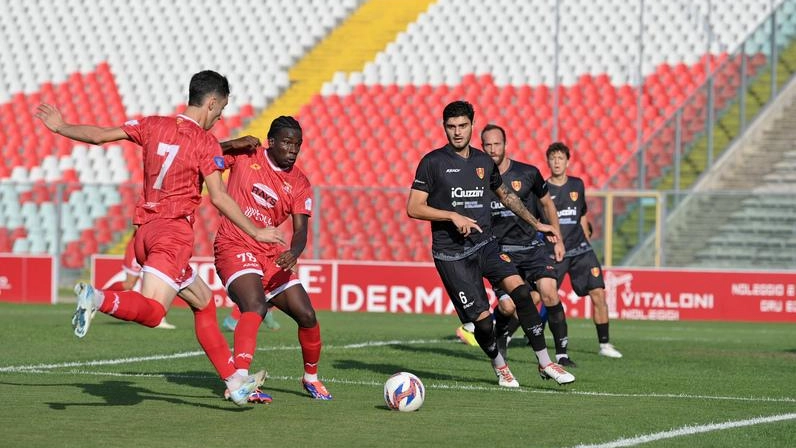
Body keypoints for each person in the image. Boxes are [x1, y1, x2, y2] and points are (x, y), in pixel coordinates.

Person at [35, 70, 284, 405]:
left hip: (144, 231)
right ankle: (97, 298)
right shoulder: (204, 141)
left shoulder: (152, 124)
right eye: (221, 109)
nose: (221, 116)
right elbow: (220, 197)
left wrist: (62, 127)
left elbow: (98, 136)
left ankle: (236, 382)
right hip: (172, 235)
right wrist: (257, 231)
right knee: (154, 313)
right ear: (211, 103)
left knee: (203, 303)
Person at [407, 100, 574, 386]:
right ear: (444, 128)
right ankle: (500, 366)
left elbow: (507, 196)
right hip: (452, 255)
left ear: (472, 126)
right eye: (451, 127)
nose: (457, 132)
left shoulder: (484, 162)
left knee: (521, 293)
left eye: (462, 126)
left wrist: (537, 224)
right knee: (484, 322)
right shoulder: (432, 162)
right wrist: (450, 215)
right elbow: (414, 207)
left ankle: (546, 363)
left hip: (485, 244)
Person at [214, 116, 332, 400]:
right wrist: (232, 143)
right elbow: (203, 158)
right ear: (271, 142)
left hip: (271, 254)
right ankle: (239, 381)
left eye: (298, 144)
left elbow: (301, 230)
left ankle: (311, 379)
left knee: (307, 315)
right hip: (233, 244)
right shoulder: (246, 154)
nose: (293, 149)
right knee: (255, 306)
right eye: (287, 143)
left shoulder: (300, 182)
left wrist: (295, 251)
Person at [478, 124, 575, 367]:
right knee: (508, 306)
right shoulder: (477, 181)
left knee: (549, 293)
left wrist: (558, 238)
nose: (492, 149)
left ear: (505, 144)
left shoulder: (528, 173)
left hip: (532, 248)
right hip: (501, 252)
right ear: (482, 147)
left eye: (496, 144)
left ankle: (561, 354)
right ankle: (501, 335)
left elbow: (547, 204)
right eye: (487, 145)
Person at [545, 142, 623, 359]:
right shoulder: (542, 189)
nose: (557, 162)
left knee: (598, 293)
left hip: (581, 251)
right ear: (548, 162)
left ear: (568, 162)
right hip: (556, 252)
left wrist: (587, 240)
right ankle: (514, 334)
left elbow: (581, 215)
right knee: (540, 296)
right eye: (553, 158)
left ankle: (605, 344)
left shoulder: (577, 185)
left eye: (561, 158)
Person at [105, 231, 175, 330]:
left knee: (160, 279)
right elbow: (138, 226)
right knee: (129, 284)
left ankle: (160, 318)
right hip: (139, 245)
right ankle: (100, 295)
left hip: (154, 246)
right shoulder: (144, 215)